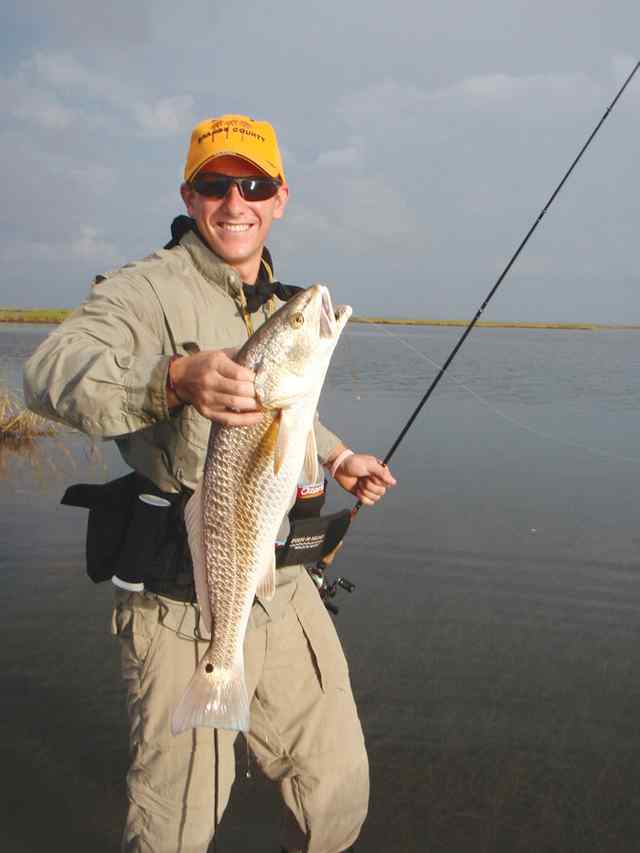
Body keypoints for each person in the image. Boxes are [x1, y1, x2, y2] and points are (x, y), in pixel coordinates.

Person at [24, 113, 396, 853]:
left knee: (339, 792)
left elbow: (277, 413)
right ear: (189, 196)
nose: (236, 202)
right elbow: (46, 373)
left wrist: (337, 454)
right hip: (181, 607)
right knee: (177, 824)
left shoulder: (273, 300)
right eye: (216, 185)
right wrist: (170, 378)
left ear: (280, 196)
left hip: (285, 590)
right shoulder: (142, 290)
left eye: (254, 184)